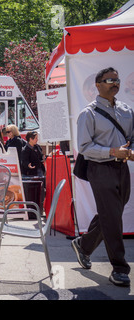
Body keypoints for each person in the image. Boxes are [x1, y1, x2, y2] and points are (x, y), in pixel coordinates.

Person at [73, 67, 134, 287]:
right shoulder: (88, 114)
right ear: (97, 86)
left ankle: (84, 245)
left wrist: (130, 152)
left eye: (116, 80)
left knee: (112, 212)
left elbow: (132, 137)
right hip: (99, 168)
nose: (114, 83)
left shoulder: (127, 111)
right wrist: (111, 152)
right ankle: (119, 268)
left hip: (122, 167)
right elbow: (84, 147)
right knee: (112, 217)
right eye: (109, 80)